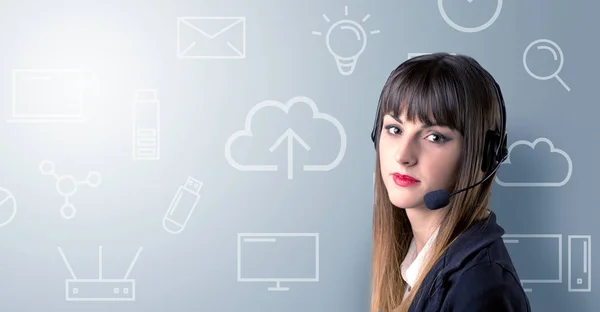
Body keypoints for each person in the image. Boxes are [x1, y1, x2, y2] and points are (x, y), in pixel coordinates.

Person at [369, 53, 531, 312]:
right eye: (395, 129)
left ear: (483, 155)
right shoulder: (415, 262)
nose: (402, 155)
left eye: (434, 137)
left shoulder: (481, 288)